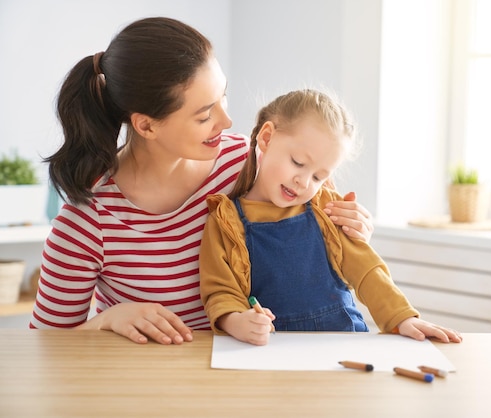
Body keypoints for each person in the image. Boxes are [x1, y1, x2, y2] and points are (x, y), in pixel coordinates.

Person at [29, 17, 374, 345]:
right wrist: (107, 320)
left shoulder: (251, 162)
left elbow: (319, 231)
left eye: (223, 95)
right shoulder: (89, 223)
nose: (227, 120)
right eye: (205, 114)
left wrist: (351, 228)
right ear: (147, 125)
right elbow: (41, 346)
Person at [199, 89, 463, 346]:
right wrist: (237, 322)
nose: (303, 182)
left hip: (343, 342)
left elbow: (367, 271)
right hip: (274, 352)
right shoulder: (225, 221)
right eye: (298, 162)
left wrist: (401, 317)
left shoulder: (328, 209)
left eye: (318, 176)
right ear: (266, 138)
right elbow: (221, 292)